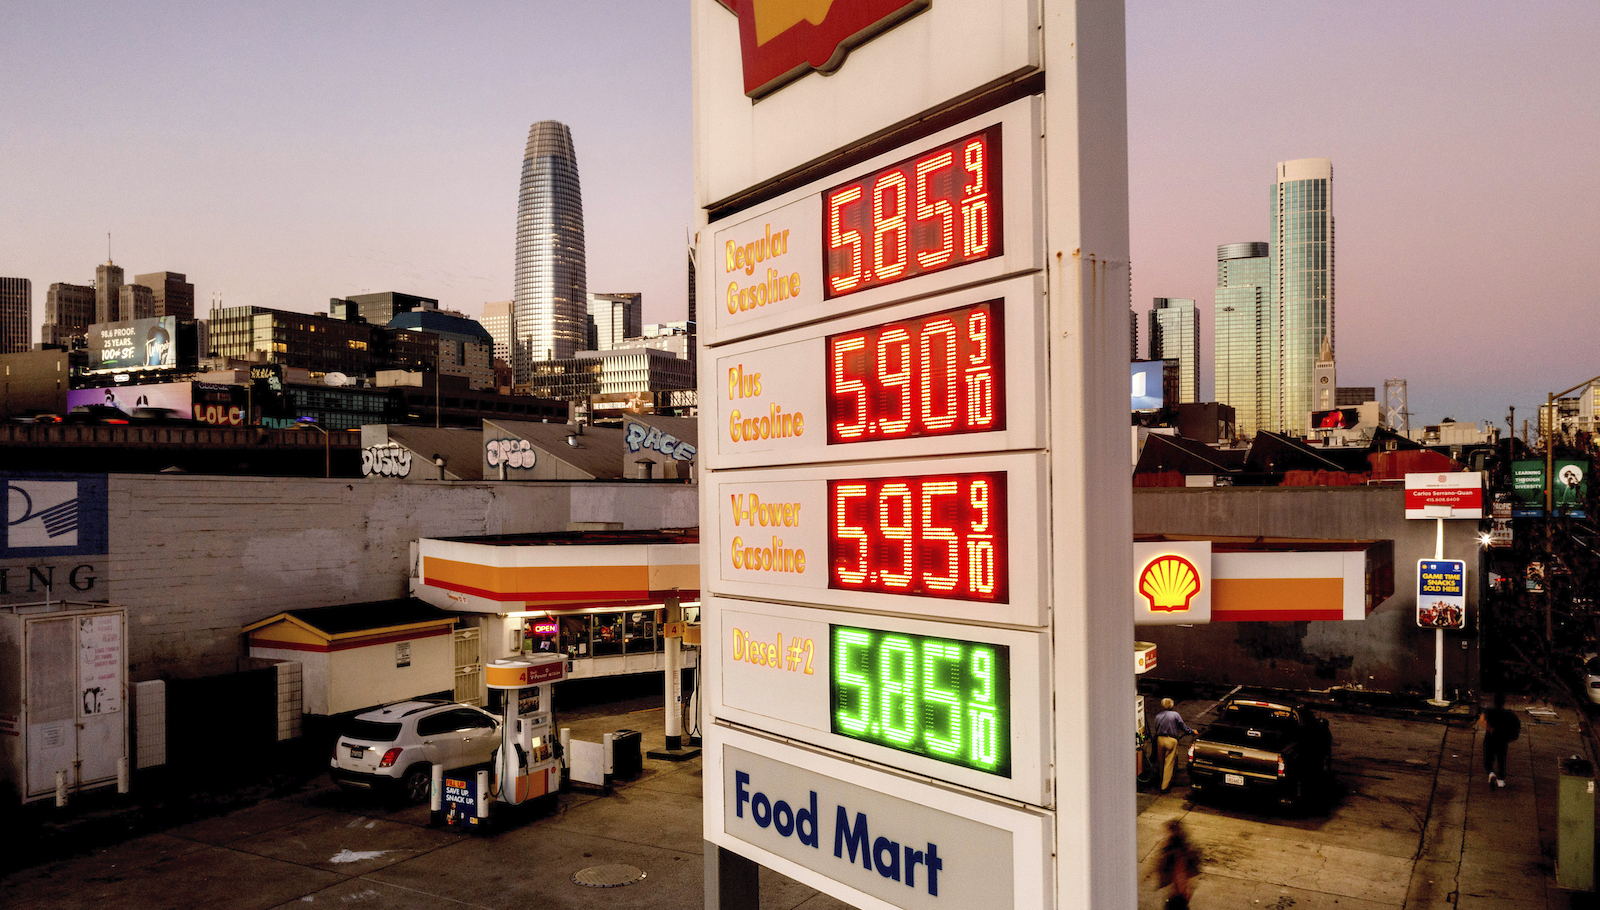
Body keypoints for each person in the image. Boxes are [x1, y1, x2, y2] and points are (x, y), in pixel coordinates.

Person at [1151, 697, 1196, 792]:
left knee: (1161, 761)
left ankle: (1160, 779)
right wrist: (1192, 731)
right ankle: (1164, 786)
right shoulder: (1175, 715)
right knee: (1169, 763)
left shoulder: (1158, 715)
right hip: (1171, 740)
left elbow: (1155, 727)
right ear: (1172, 705)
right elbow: (1183, 726)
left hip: (1160, 739)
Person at [1156, 818, 1201, 908]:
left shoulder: (1178, 855)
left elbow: (1180, 874)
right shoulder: (1182, 852)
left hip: (1178, 896)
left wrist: (1183, 890)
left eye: (1167, 833)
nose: (1165, 837)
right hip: (1179, 896)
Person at [1479, 692, 1520, 788]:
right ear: (1504, 702)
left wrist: (1490, 729)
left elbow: (1481, 721)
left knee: (1488, 757)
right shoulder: (1509, 714)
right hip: (1502, 739)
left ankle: (1491, 773)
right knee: (1501, 758)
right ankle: (1501, 780)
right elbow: (1516, 726)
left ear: (1494, 701)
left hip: (1490, 738)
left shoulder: (1489, 711)